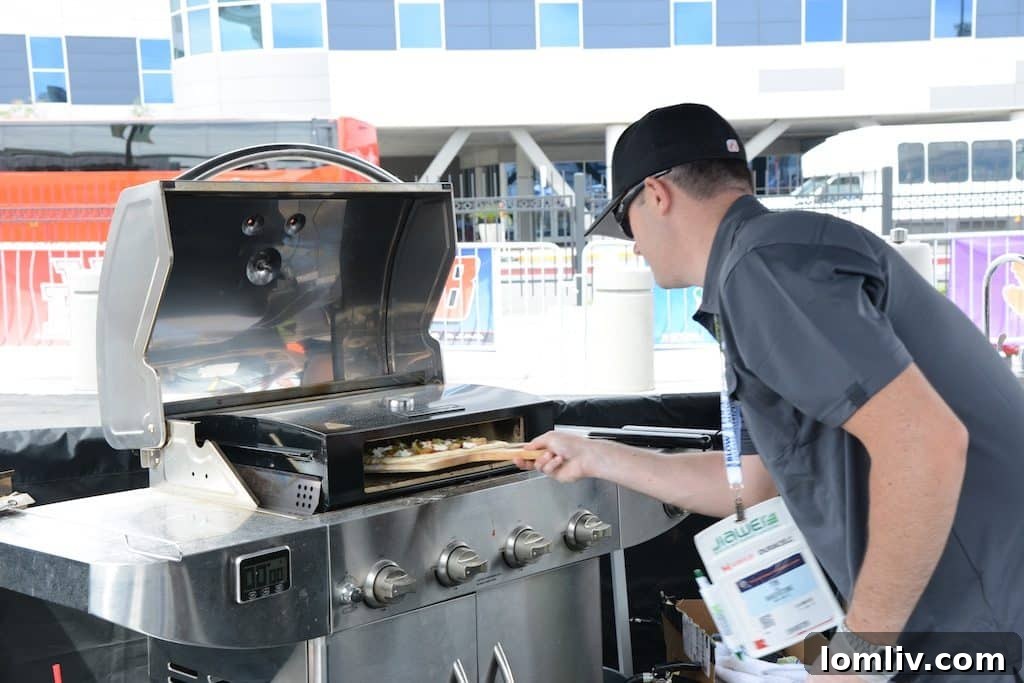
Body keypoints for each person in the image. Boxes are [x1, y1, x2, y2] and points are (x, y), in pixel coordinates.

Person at [516, 103, 1024, 681]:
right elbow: (752, 483)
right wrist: (596, 456)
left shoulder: (764, 266)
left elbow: (925, 444)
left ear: (657, 195)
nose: (633, 245)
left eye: (625, 222)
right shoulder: (766, 263)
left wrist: (858, 653)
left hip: (979, 624)